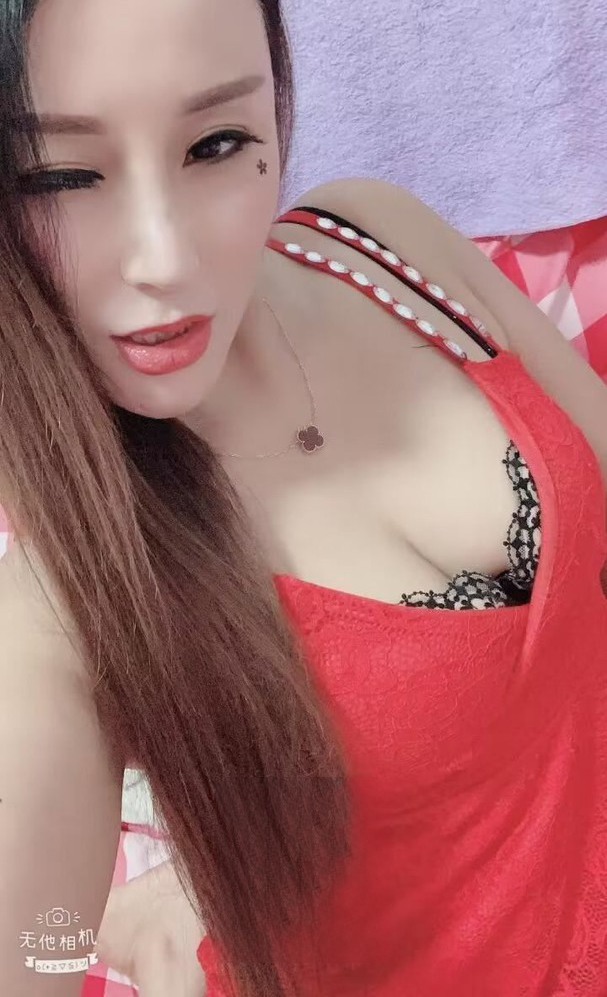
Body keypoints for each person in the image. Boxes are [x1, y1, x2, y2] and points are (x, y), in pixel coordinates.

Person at [0, 2, 605, 997]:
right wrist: (69, 933)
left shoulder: (378, 243)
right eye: (60, 175)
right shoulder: (57, 607)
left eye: (215, 143)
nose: (165, 259)